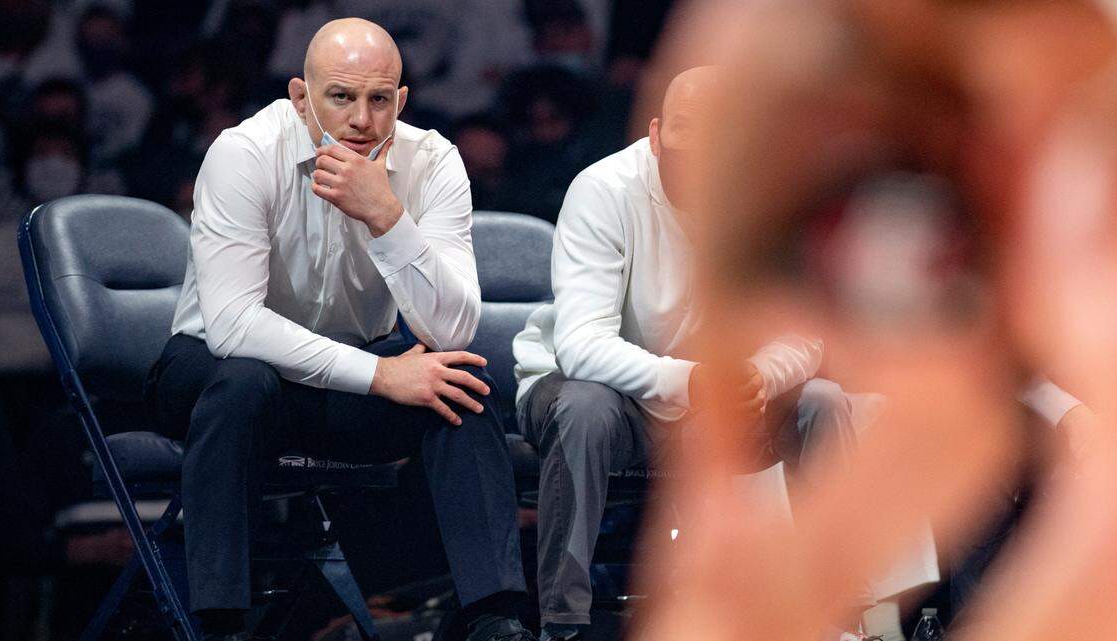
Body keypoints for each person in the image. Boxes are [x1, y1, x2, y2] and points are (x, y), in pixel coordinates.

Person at [147, 19, 533, 641]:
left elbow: (454, 326)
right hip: (216, 377)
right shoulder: (243, 152)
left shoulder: (432, 162)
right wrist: (382, 375)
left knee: (460, 388)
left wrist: (387, 216)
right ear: (302, 97)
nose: (361, 119)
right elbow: (232, 326)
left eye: (379, 100)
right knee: (244, 382)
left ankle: (494, 618)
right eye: (341, 97)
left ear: (401, 102)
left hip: (345, 383)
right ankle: (217, 623)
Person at [511, 66, 860, 641]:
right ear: (654, 134)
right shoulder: (604, 190)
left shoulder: (771, 194)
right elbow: (580, 346)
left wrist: (759, 374)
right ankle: (563, 622)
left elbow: (805, 329)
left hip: (718, 404)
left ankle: (839, 614)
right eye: (684, 129)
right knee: (585, 408)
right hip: (603, 398)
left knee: (822, 402)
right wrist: (694, 382)